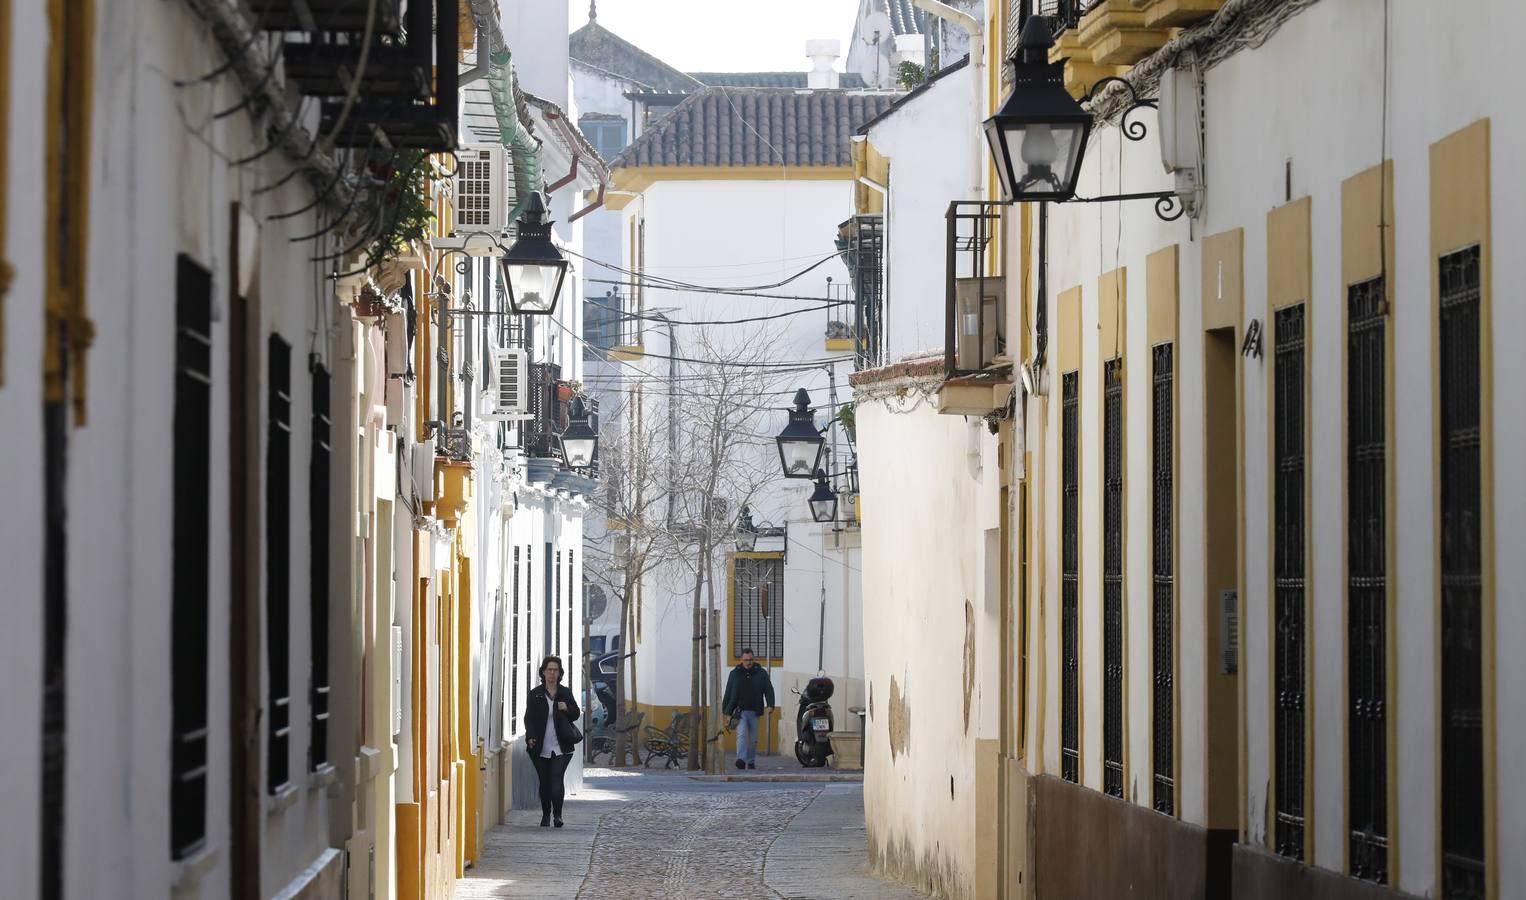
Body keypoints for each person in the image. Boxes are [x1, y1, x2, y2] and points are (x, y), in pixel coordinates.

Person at [524, 655, 581, 827]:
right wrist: (531, 737)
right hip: (540, 745)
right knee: (545, 782)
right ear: (543, 672)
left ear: (559, 673)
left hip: (561, 745)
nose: (552, 673)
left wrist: (567, 708)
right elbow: (529, 718)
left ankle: (558, 815)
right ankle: (545, 814)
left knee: (557, 780)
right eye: (549, 669)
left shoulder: (565, 692)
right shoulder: (535, 694)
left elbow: (576, 713)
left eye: (555, 670)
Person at [721, 648, 775, 770]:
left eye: (750, 660)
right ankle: (741, 759)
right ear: (741, 660)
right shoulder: (734, 673)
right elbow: (728, 692)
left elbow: (768, 689)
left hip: (755, 710)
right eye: (745, 660)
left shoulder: (761, 673)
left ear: (753, 659)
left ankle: (750, 761)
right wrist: (726, 711)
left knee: (753, 739)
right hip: (740, 712)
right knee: (741, 735)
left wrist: (770, 704)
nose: (748, 662)